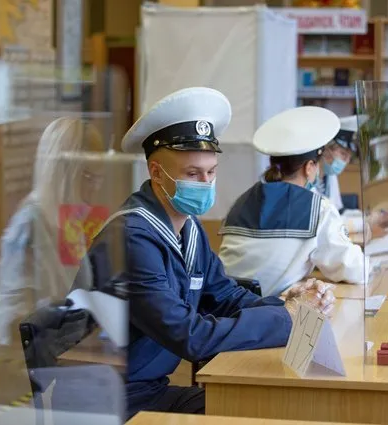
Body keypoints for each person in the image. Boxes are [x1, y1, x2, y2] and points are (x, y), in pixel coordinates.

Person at [77, 88, 336, 419]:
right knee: (258, 414)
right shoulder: (133, 239)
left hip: (145, 387)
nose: (204, 183)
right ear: (156, 172)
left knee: (264, 408)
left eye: (211, 172)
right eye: (192, 174)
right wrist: (288, 318)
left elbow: (223, 296)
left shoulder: (188, 227)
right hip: (107, 400)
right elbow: (190, 336)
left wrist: (288, 300)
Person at [219, 106, 365, 298]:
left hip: (227, 309)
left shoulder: (242, 201)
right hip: (273, 314)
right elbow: (352, 269)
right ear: (309, 167)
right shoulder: (317, 207)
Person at [0, 117, 105, 346]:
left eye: (99, 177)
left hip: (70, 351)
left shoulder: (69, 219)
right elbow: (14, 325)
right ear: (63, 172)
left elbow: (79, 288)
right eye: (87, 177)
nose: (95, 188)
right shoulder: (28, 225)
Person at [317, 115, 388, 237]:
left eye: (349, 156)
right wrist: (366, 222)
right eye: (343, 154)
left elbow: (338, 212)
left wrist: (366, 215)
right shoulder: (308, 179)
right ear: (326, 150)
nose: (346, 161)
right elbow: (325, 225)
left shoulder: (330, 175)